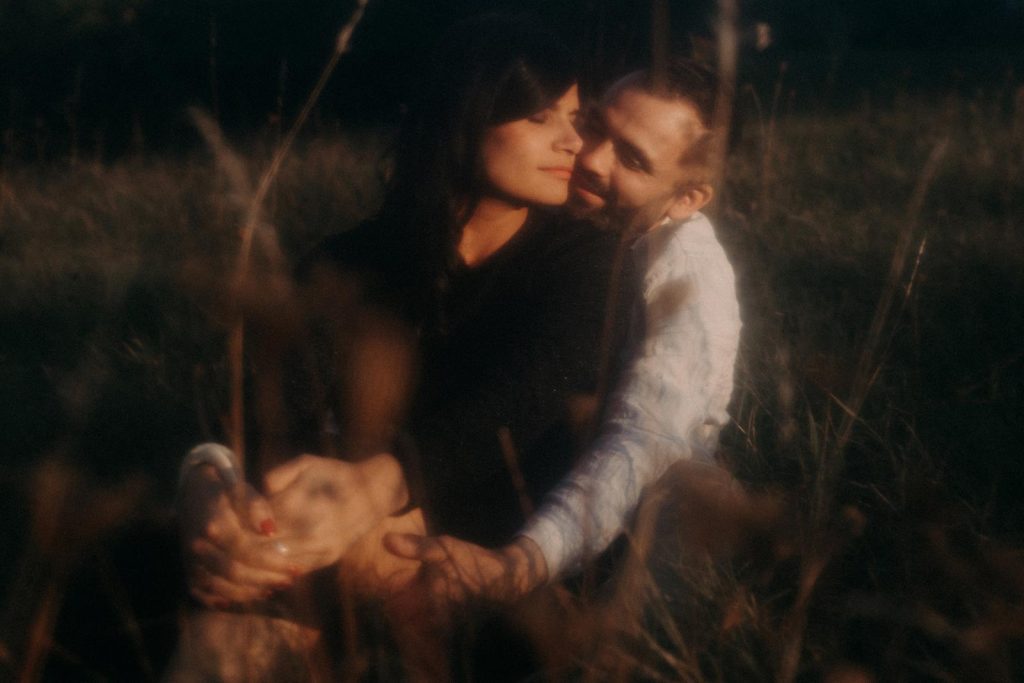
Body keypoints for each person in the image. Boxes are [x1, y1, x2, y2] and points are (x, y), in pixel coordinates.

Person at [169, 14, 628, 679]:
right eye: (539, 118)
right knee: (230, 605)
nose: (572, 141)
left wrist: (376, 483)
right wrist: (206, 483)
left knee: (307, 537)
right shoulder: (356, 261)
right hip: (334, 543)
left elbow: (526, 391)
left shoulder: (588, 260)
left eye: (577, 117)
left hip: (502, 558)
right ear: (465, 117)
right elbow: (255, 404)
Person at [385, 58, 745, 603]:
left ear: (687, 198)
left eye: (632, 159)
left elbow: (642, 440)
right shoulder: (540, 208)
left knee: (695, 489)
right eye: (596, 126)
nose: (591, 159)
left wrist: (521, 563)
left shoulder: (687, 278)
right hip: (488, 479)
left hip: (608, 533)